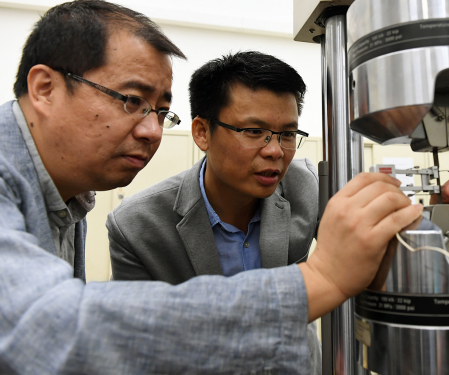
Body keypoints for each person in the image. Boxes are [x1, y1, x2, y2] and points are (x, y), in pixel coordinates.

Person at [0, 0, 425, 374]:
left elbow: (380, 249)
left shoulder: (68, 198)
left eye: (161, 112)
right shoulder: (131, 222)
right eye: (131, 101)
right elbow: (56, 333)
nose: (151, 130)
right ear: (45, 89)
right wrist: (319, 279)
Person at [106, 51, 324, 373]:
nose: (275, 150)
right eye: (253, 131)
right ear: (202, 133)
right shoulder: (137, 226)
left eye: (288, 135)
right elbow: (134, 347)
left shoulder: (308, 188)